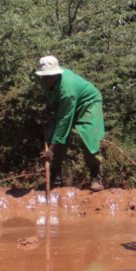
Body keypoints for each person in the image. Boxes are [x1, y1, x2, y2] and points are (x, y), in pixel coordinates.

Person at [35, 55, 105, 191]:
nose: (47, 79)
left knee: (88, 138)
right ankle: (55, 179)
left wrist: (50, 150)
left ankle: (96, 177)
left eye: (50, 76)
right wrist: (47, 109)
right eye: (45, 76)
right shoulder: (43, 80)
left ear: (57, 74)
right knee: (53, 134)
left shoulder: (68, 90)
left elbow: (64, 122)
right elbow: (51, 96)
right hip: (66, 105)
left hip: (88, 103)